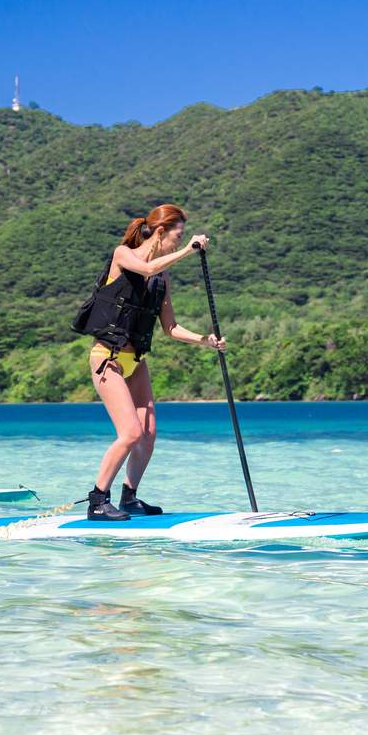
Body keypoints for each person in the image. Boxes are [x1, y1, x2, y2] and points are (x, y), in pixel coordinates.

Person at [77, 204, 226, 520]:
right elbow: (144, 269)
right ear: (161, 233)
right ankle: (97, 501)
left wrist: (205, 339)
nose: (179, 241)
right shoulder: (123, 255)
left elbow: (170, 328)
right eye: (178, 235)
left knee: (148, 433)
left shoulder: (163, 280)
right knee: (129, 433)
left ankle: (129, 497)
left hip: (136, 362)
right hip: (109, 359)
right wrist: (189, 250)